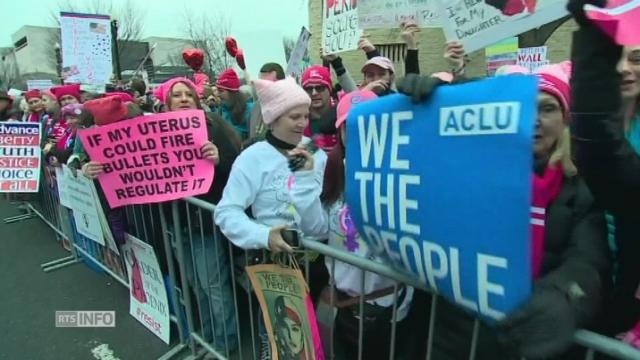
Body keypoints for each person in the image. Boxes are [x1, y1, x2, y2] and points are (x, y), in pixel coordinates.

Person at [397, 61, 610, 359]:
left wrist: (563, 296)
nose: (534, 119)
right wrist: (435, 108)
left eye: (547, 108)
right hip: (456, 337)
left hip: (526, 340)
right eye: (524, 107)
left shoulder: (581, 189)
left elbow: (587, 260)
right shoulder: (470, 170)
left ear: (565, 119)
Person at [289, 90, 414, 360]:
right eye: (350, 126)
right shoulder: (333, 171)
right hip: (344, 308)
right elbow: (315, 229)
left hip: (387, 311)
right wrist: (302, 178)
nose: (359, 133)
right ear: (341, 133)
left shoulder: (406, 174)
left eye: (367, 125)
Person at [214, 77, 328, 358]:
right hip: (272, 264)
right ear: (274, 118)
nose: (303, 122)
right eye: (294, 116)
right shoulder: (253, 157)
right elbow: (226, 212)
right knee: (276, 336)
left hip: (313, 262)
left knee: (310, 339)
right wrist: (263, 236)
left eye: (305, 115)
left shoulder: (314, 150)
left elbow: (318, 220)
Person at [566, 0, 640, 346]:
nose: (624, 68)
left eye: (637, 58)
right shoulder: (566, 137)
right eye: (616, 56)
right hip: (589, 279)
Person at [301, 65, 339, 152]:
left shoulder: (341, 108)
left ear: (329, 90)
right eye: (309, 89)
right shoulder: (299, 117)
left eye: (319, 88)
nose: (314, 93)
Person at [215, 68, 254, 140]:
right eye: (217, 90)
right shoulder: (221, 110)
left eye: (221, 91)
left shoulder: (251, 110)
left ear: (232, 92)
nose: (217, 94)